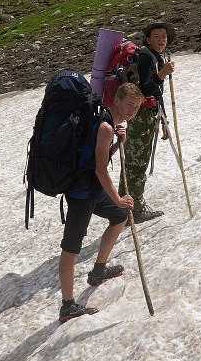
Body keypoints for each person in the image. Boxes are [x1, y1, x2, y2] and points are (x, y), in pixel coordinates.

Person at [58, 82, 142, 322]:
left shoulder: (106, 122)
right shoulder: (105, 126)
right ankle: (67, 306)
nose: (132, 111)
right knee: (71, 248)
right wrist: (117, 198)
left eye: (136, 107)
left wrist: (117, 144)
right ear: (116, 100)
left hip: (92, 189)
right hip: (82, 193)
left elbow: (98, 159)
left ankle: (98, 271)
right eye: (129, 105)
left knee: (119, 216)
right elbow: (100, 170)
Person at [121, 21, 175, 224]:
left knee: (134, 162)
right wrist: (162, 74)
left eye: (164, 36)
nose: (162, 39)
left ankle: (125, 209)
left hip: (148, 115)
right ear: (148, 40)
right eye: (157, 36)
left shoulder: (156, 57)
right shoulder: (146, 57)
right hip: (141, 116)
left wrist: (164, 120)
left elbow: (158, 94)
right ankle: (134, 209)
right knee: (137, 163)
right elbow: (143, 91)